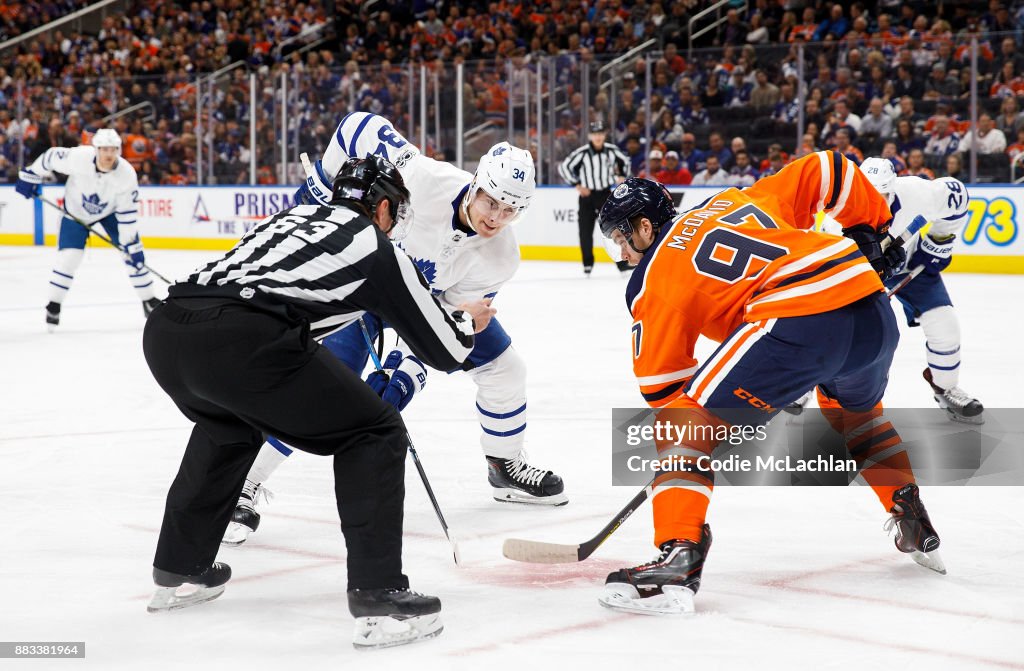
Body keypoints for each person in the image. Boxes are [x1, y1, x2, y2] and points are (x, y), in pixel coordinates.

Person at [142, 156, 494, 649]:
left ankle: (179, 567)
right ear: (384, 206)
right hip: (242, 338)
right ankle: (379, 596)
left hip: (167, 329)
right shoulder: (371, 244)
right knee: (374, 430)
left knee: (230, 426)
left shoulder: (292, 217)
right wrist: (468, 323)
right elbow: (446, 350)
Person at [595, 151, 943, 616]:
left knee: (682, 426)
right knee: (857, 416)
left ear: (643, 227)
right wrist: (869, 231)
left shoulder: (651, 279)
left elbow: (663, 390)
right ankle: (910, 515)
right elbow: (828, 168)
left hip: (798, 320)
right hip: (873, 312)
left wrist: (702, 450)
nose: (622, 253)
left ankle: (678, 554)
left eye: (622, 238)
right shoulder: (732, 199)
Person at [223, 113, 567, 545]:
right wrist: (317, 190)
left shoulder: (501, 256)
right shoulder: (422, 178)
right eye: (491, 201)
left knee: (505, 368)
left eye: (510, 210)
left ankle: (504, 465)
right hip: (362, 285)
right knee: (321, 384)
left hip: (420, 307)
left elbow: (444, 326)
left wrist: (403, 375)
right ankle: (244, 484)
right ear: (475, 183)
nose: (496, 217)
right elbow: (357, 126)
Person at [860, 157, 983, 423]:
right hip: (859, 277)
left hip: (909, 268)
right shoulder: (837, 216)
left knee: (945, 325)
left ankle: (945, 386)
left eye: (880, 195)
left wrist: (938, 244)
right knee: (841, 334)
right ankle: (804, 386)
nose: (873, 202)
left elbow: (957, 197)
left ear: (891, 189)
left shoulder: (916, 192)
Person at [15, 128, 158, 330]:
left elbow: (127, 215)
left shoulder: (126, 174)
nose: (109, 154)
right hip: (75, 212)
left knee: (132, 255)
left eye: (113, 149)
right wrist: (31, 174)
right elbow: (50, 158)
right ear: (96, 149)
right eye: (105, 149)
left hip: (110, 213)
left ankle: (148, 300)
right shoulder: (79, 157)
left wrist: (130, 244)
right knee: (69, 258)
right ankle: (54, 305)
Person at [558, 120, 632, 276]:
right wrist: (577, 184)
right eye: (595, 134)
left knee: (614, 229)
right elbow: (564, 167)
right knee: (585, 230)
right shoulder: (582, 153)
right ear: (590, 135)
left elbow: (625, 161)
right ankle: (587, 264)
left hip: (605, 195)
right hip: (587, 196)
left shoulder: (612, 150)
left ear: (604, 135)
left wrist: (621, 176)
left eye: (600, 134)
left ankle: (622, 264)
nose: (598, 137)